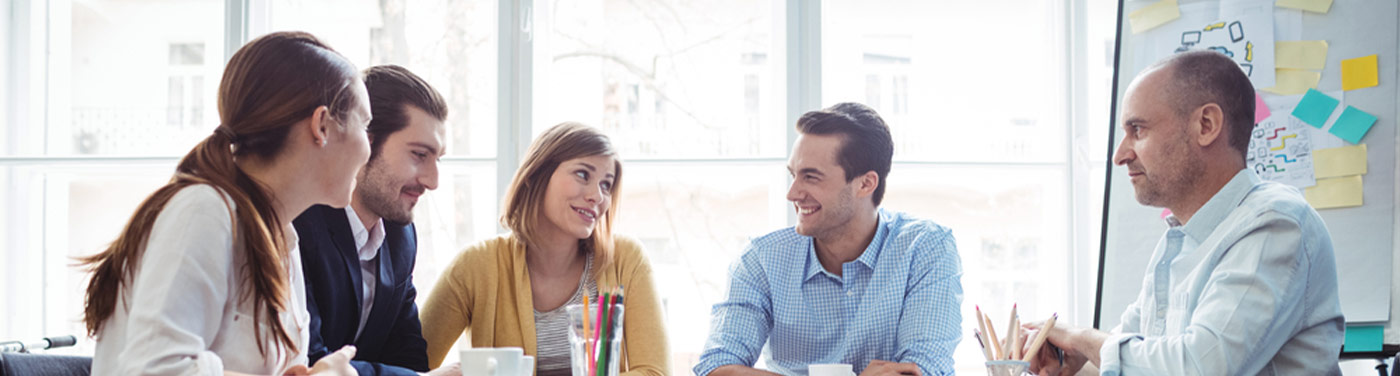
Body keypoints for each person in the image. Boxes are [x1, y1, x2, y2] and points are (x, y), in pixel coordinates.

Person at [1024, 50, 1344, 376]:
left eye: (1138, 130)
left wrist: (1079, 339)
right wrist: (1072, 366)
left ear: (1206, 125)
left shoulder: (1276, 225)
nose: (1119, 155)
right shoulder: (1177, 242)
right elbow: (1142, 361)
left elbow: (1199, 367)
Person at [81, 31, 370, 375]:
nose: (368, 149)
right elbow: (153, 370)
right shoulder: (204, 212)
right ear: (322, 125)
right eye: (365, 125)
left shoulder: (283, 239)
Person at [694, 103, 963, 376]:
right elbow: (715, 367)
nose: (793, 193)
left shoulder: (925, 248)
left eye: (811, 177)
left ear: (866, 184)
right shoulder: (762, 258)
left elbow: (922, 370)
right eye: (793, 175)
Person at [419, 122, 669, 376]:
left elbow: (655, 372)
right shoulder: (475, 266)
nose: (597, 196)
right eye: (583, 174)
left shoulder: (627, 260)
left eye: (606, 184)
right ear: (537, 175)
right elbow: (408, 366)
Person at [293, 65, 459, 376]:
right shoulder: (300, 225)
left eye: (438, 159)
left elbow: (408, 357)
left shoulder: (402, 236)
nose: (433, 181)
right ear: (364, 143)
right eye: (419, 155)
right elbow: (310, 361)